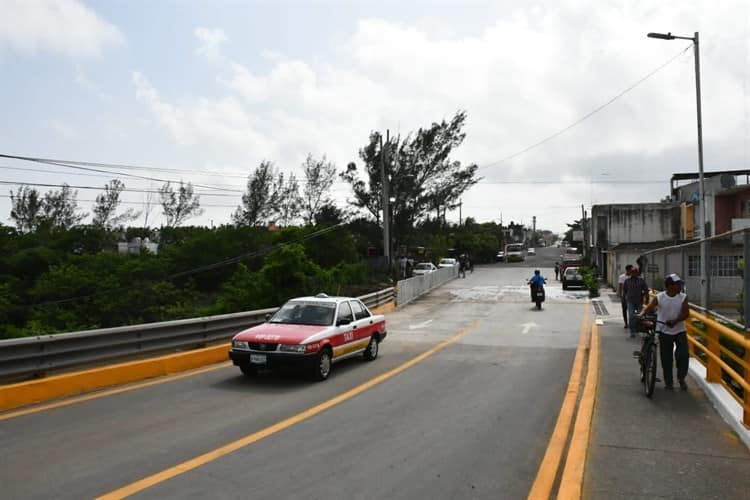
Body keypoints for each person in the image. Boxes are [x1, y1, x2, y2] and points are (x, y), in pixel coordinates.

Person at [638, 273, 690, 390]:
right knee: (666, 358)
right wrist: (641, 315)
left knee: (683, 356)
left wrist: (675, 321)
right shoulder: (660, 297)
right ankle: (669, 382)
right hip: (663, 330)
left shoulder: (683, 297)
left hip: (679, 330)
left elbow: (686, 313)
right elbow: (650, 307)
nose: (680, 287)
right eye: (678, 285)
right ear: (670, 286)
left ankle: (681, 378)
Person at [622, 267, 649, 338]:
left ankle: (640, 329)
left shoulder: (641, 281)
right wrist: (623, 300)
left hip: (639, 301)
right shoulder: (627, 281)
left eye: (635, 272)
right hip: (630, 301)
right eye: (632, 272)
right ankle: (632, 331)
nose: (633, 273)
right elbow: (624, 292)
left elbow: (646, 290)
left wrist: (647, 298)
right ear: (630, 273)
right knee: (631, 316)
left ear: (637, 273)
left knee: (640, 316)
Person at [617, 264, 634, 330]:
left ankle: (631, 323)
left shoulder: (633, 277)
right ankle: (626, 323)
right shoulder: (622, 277)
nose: (631, 271)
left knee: (631, 311)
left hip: (632, 296)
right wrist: (620, 295)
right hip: (624, 296)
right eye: (631, 270)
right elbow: (620, 286)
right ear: (627, 270)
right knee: (624, 310)